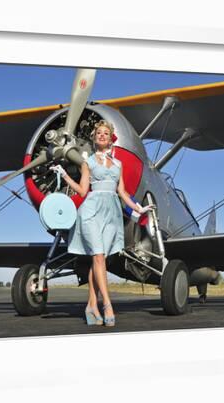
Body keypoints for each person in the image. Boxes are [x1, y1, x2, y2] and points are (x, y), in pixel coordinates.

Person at [50, 120, 155, 327]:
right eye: (98, 133)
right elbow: (82, 191)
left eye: (106, 133)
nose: (102, 135)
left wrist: (139, 209)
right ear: (95, 138)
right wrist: (64, 175)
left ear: (110, 138)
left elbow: (122, 192)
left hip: (112, 214)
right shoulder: (87, 162)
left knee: (100, 261)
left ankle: (91, 307)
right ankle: (107, 304)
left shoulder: (118, 165)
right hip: (91, 211)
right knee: (97, 257)